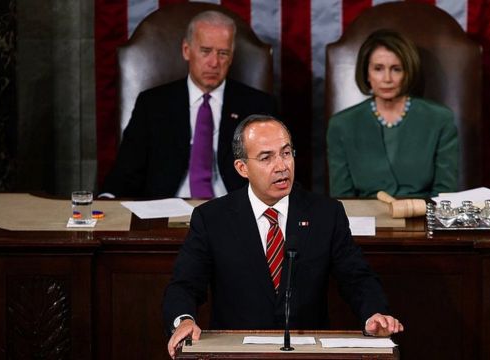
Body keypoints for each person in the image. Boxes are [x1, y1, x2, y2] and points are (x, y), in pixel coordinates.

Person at [163, 114, 404, 358]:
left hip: (307, 351)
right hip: (237, 351)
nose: (282, 166)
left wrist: (374, 312)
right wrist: (183, 320)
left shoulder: (325, 214)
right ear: (242, 167)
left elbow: (357, 277)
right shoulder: (212, 218)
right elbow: (184, 284)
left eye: (286, 153)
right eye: (266, 157)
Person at [101, 11, 277, 199]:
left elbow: (275, 172)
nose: (214, 62)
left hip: (232, 212)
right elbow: (125, 173)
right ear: (187, 50)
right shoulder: (153, 105)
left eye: (223, 53)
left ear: (231, 57)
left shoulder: (258, 106)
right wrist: (106, 203)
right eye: (205, 51)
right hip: (166, 212)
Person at [327, 29, 458, 199]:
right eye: (378, 68)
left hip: (423, 217)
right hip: (365, 220)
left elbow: (445, 194)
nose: (387, 78)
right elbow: (343, 199)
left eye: (396, 69)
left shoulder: (440, 119)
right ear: (367, 73)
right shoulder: (342, 125)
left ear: (407, 72)